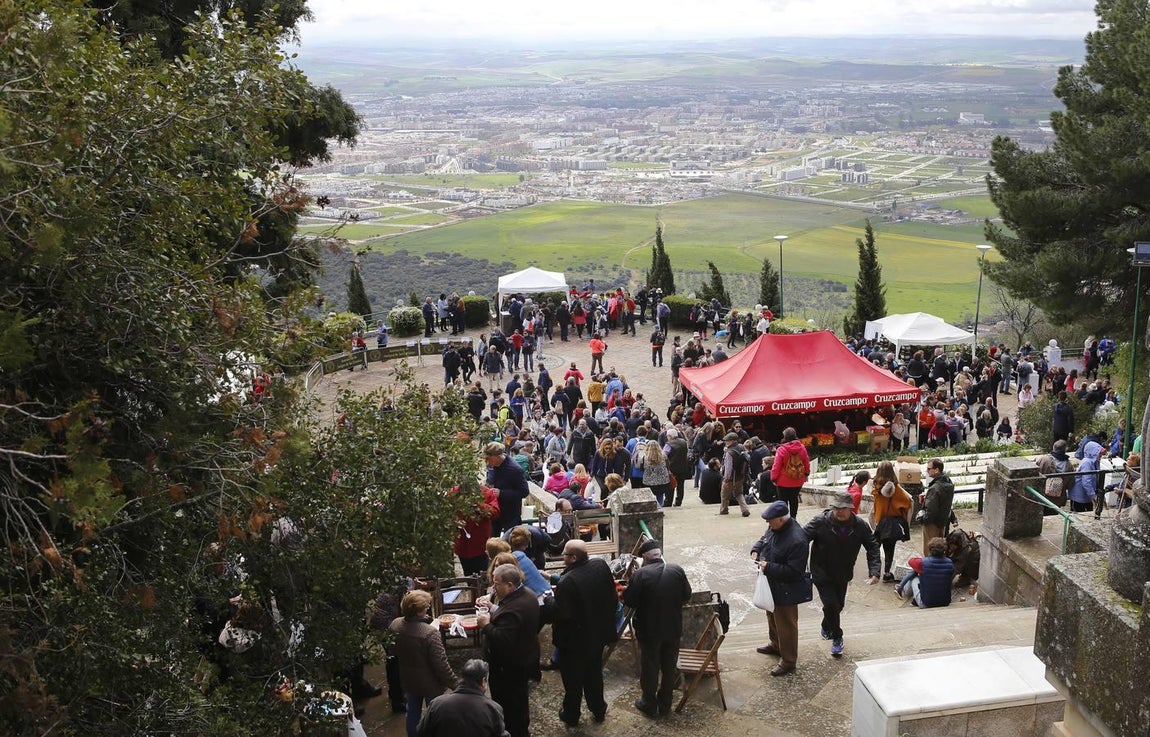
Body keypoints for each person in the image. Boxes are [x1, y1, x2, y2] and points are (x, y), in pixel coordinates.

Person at [803, 491, 880, 658]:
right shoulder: (820, 522)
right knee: (831, 605)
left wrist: (874, 571)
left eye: (843, 508)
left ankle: (826, 624)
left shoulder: (859, 525)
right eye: (836, 507)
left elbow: (872, 546)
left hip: (843, 572)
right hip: (821, 571)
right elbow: (801, 538)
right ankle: (837, 637)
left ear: (851, 508)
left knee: (838, 606)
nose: (839, 511)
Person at [622, 539, 692, 718]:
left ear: (645, 557)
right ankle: (665, 703)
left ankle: (649, 702)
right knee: (669, 666)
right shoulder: (677, 570)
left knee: (650, 666)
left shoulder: (640, 574)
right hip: (673, 628)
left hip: (649, 631)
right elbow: (687, 595)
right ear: (659, 555)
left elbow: (630, 601)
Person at [551, 540, 618, 726]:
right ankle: (598, 709)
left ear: (573, 558)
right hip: (598, 634)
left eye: (564, 554)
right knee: (594, 674)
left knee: (572, 680)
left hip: (574, 641)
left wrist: (549, 603)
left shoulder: (567, 581)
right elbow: (611, 595)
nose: (562, 557)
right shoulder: (600, 565)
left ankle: (571, 714)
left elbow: (561, 613)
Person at [477, 564, 540, 737]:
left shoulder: (514, 608)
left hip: (509, 669)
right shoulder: (527, 594)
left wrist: (486, 625)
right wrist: (492, 608)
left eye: (497, 584)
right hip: (524, 658)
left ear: (510, 585)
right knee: (520, 702)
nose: (493, 587)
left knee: (510, 707)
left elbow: (503, 639)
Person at [750, 500, 810, 676]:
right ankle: (776, 645)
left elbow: (794, 571)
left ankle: (789, 660)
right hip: (771, 583)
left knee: (786, 624)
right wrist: (756, 549)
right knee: (771, 615)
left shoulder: (797, 539)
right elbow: (765, 539)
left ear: (781, 520)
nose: (768, 524)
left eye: (770, 521)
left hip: (786, 589)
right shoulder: (775, 527)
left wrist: (768, 567)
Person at [388, 590, 459, 737]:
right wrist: (455, 684)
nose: (428, 608)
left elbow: (392, 650)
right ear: (419, 611)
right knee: (435, 716)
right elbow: (441, 665)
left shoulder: (395, 625)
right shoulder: (430, 634)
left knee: (412, 713)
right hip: (430, 683)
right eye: (426, 607)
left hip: (408, 679)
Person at [418, 659, 508, 737]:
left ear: (463, 678)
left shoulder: (437, 704)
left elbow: (422, 732)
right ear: (483, 681)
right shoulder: (492, 709)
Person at [871, 461, 912, 582]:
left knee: (875, 548)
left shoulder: (876, 487)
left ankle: (874, 572)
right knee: (889, 550)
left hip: (879, 522)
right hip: (892, 525)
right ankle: (887, 573)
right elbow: (908, 502)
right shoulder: (897, 489)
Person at [484, 443, 530, 537]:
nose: (487, 462)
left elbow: (524, 492)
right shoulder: (493, 466)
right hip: (495, 510)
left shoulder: (514, 470)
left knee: (511, 540)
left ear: (497, 457)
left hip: (510, 514)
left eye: (489, 459)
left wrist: (502, 493)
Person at [896, 538, 955, 609]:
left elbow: (910, 561)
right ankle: (907, 594)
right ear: (944, 550)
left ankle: (901, 589)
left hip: (925, 603)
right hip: (945, 602)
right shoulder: (950, 563)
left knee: (914, 577)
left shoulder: (923, 562)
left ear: (930, 549)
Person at [770, 427, 810, 519]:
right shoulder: (802, 448)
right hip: (798, 479)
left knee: (783, 501)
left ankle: (784, 518)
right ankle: (793, 518)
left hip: (783, 480)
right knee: (794, 498)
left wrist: (773, 478)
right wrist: (806, 474)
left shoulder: (781, 449)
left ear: (785, 437)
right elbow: (806, 462)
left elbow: (776, 465)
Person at [920, 459, 955, 555]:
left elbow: (931, 509)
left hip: (932, 524)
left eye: (929, 469)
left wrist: (924, 520)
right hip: (942, 522)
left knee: (930, 550)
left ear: (936, 470)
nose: (927, 471)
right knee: (940, 548)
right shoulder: (949, 484)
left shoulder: (935, 488)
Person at [719, 431, 751, 516]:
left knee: (724, 495)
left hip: (730, 479)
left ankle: (724, 510)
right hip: (740, 476)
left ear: (732, 441)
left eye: (727, 440)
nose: (726, 442)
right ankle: (745, 509)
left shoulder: (729, 453)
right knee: (739, 494)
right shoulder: (741, 447)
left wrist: (726, 480)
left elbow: (728, 468)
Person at [1068, 440, 1103, 513]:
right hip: (1079, 496)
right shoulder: (1087, 462)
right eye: (1099, 453)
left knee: (1089, 513)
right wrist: (1094, 496)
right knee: (1078, 515)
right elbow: (1086, 482)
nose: (1101, 455)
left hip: (1087, 496)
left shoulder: (1095, 462)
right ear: (1093, 452)